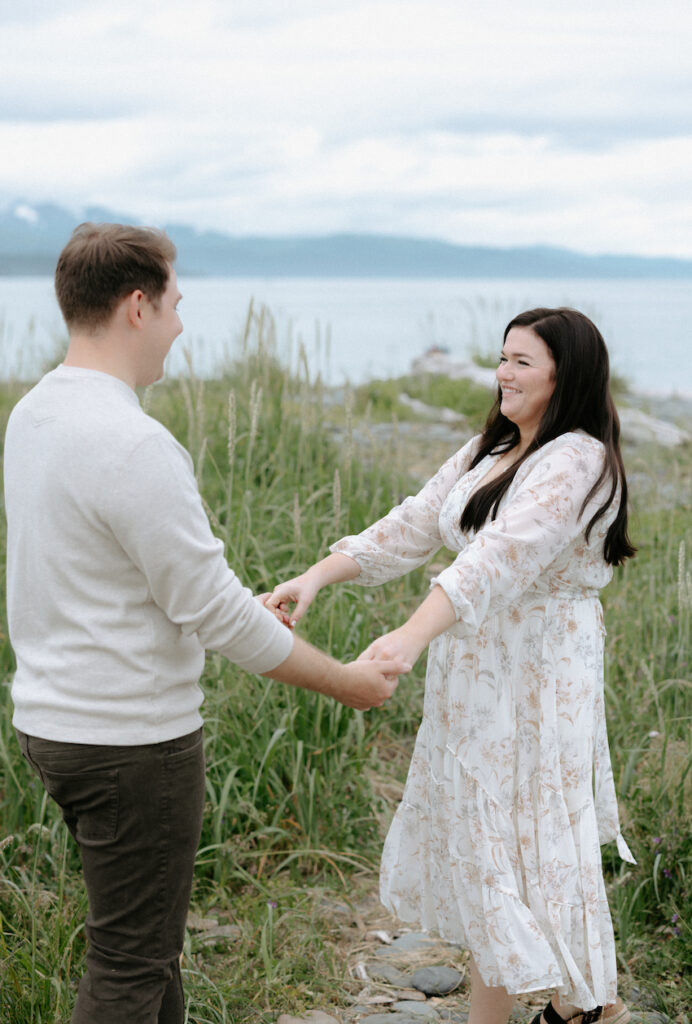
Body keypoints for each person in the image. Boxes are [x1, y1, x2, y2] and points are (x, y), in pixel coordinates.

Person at [3, 222, 409, 1024]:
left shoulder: (33, 415)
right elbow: (219, 618)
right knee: (127, 966)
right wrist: (350, 683)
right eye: (177, 305)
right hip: (130, 747)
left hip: (55, 726)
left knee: (149, 953)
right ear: (136, 306)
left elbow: (110, 578)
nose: (182, 325)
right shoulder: (133, 442)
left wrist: (216, 607)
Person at [266, 308, 636, 1024]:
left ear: (568, 373)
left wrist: (408, 636)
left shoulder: (578, 457)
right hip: (474, 678)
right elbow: (409, 524)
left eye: (522, 361)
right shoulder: (487, 450)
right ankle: (539, 1012)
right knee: (483, 839)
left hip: (539, 674)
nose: (503, 373)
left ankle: (589, 1004)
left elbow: (499, 561)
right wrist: (314, 577)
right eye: (502, 358)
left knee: (540, 835)